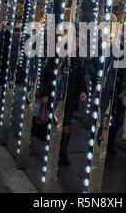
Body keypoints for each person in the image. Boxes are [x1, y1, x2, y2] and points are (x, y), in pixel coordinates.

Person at [38, 36, 87, 165]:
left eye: (78, 42)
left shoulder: (77, 59)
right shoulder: (57, 55)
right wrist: (44, 93)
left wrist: (83, 90)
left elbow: (80, 76)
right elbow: (46, 75)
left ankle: (63, 152)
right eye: (75, 42)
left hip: (70, 95)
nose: (77, 45)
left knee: (66, 123)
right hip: (55, 93)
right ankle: (52, 148)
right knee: (54, 120)